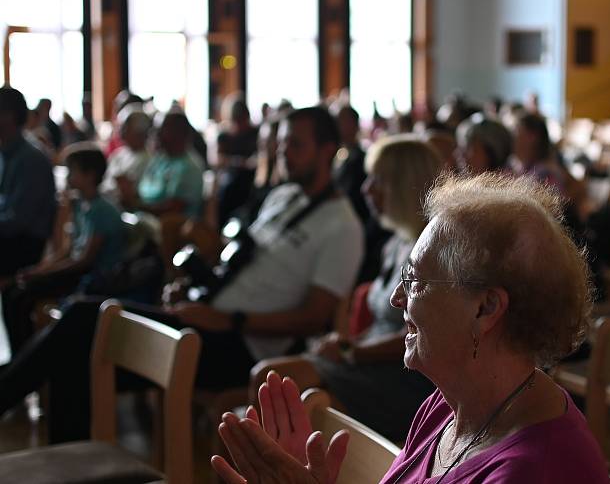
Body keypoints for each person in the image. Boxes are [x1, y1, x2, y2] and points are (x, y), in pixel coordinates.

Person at [212, 173, 610, 483]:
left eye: (416, 281)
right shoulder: (448, 406)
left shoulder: (533, 470)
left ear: (486, 308)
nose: (396, 300)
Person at [0, 106, 365, 444]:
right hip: (204, 320)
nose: (284, 153)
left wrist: (228, 319)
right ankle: (70, 469)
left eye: (296, 145)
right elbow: (239, 263)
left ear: (327, 150)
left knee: (82, 316)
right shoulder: (283, 197)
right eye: (282, 143)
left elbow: (314, 319)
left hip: (242, 346)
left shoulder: (342, 226)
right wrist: (193, 287)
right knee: (75, 353)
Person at [255, 135, 442, 441]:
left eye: (378, 181)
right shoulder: (395, 243)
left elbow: (425, 334)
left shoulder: (431, 252)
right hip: (371, 363)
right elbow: (381, 327)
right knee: (272, 381)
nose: (366, 189)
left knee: (278, 384)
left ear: (405, 185)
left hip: (405, 378)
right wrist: (345, 344)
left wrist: (350, 350)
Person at [1, 143, 127, 354]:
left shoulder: (103, 211)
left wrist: (43, 273)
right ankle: (20, 353)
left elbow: (85, 260)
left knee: (21, 295)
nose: (68, 177)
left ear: (90, 175)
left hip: (92, 278)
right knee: (13, 291)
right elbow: (68, 250)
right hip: (75, 271)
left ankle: (28, 357)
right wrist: (40, 269)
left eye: (73, 171)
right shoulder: (80, 205)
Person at [0, 86, 56, 279]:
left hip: (24, 244)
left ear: (9, 117)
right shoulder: (6, 152)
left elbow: (18, 221)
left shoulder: (32, 159)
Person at [121, 111, 204, 220]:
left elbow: (172, 211)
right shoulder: (160, 159)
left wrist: (135, 205)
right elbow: (143, 191)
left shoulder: (190, 168)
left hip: (170, 230)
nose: (157, 134)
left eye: (163, 129)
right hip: (142, 220)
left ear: (179, 134)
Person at [216, 92, 259, 227]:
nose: (241, 125)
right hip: (229, 178)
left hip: (250, 178)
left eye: (243, 120)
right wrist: (238, 162)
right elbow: (217, 160)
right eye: (237, 121)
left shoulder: (255, 132)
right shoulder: (224, 135)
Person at [100, 103, 152, 204]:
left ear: (140, 132)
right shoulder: (118, 154)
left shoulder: (149, 160)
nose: (120, 132)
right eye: (120, 127)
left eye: (125, 128)